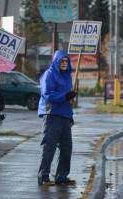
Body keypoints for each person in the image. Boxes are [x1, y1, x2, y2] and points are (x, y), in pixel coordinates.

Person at [37, 50, 77, 186]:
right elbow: (47, 94)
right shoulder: (48, 74)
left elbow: (67, 98)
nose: (64, 63)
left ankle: (61, 176)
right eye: (62, 61)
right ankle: (43, 176)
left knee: (67, 148)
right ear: (56, 61)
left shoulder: (68, 76)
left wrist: (70, 111)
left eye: (66, 61)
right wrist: (65, 96)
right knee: (49, 147)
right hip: (52, 115)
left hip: (65, 115)